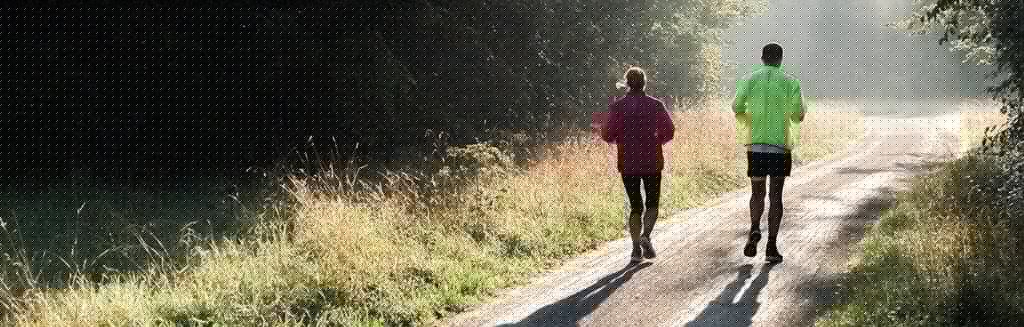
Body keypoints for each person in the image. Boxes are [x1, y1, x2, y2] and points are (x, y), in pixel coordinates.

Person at [732, 43, 806, 264]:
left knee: (756, 193)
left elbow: (736, 107)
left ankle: (754, 228)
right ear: (781, 60)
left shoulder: (748, 79)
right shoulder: (791, 82)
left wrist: (750, 117)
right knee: (776, 196)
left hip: (755, 145)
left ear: (762, 58)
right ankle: (771, 247)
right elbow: (798, 114)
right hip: (779, 146)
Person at [602, 66, 676, 263]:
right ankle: (646, 235)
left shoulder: (617, 107)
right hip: (652, 160)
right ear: (645, 83)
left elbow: (607, 134)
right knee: (652, 203)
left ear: (627, 83)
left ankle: (635, 249)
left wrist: (621, 138)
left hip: (628, 162)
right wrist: (656, 140)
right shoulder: (656, 105)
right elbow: (669, 130)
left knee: (635, 206)